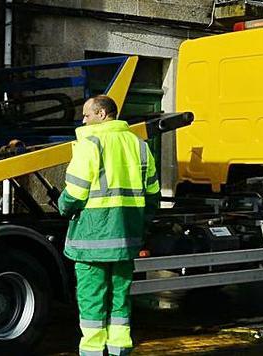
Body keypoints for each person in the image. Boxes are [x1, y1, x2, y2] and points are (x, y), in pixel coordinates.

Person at [54, 95, 159, 356]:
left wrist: (62, 206)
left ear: (102, 114)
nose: (83, 119)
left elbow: (75, 193)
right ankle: (119, 348)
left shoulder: (90, 143)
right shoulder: (140, 145)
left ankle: (91, 351)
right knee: (120, 297)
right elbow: (153, 194)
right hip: (126, 239)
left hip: (92, 239)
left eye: (87, 114)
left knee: (92, 298)